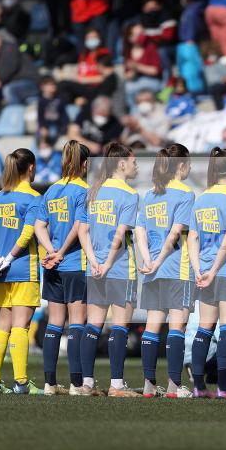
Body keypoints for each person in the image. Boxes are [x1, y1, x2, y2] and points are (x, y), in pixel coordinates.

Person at [78, 142, 142, 398]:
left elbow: (83, 231)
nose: (136, 164)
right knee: (119, 327)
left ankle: (87, 384)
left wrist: (94, 260)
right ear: (121, 163)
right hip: (119, 268)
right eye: (133, 160)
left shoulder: (94, 191)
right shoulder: (129, 194)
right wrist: (106, 263)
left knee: (92, 326)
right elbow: (119, 235)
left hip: (94, 268)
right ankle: (116, 385)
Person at [0, 148, 42, 394]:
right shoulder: (34, 198)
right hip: (23, 268)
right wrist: (10, 257)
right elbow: (28, 232)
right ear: (31, 168)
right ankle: (21, 382)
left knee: (2, 325)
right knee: (21, 326)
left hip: (1, 271)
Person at [135, 144, 195, 399]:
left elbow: (139, 231)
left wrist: (148, 261)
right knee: (177, 327)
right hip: (175, 268)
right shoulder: (185, 194)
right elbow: (174, 234)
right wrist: (158, 262)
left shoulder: (150, 194)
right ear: (181, 166)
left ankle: (149, 386)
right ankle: (173, 386)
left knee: (152, 326)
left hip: (152, 270)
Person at [187, 148, 226, 399]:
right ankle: (223, 387)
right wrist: (212, 271)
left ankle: (199, 387)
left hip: (204, 272)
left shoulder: (201, 200)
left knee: (204, 329)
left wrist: (200, 270)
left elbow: (192, 238)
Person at [34, 140, 89, 396]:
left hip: (52, 264)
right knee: (77, 322)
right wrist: (62, 252)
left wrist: (51, 251)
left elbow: (39, 225)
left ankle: (49, 383)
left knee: (55, 323)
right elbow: (79, 228)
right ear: (85, 164)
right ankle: (77, 384)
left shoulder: (52, 190)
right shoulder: (84, 191)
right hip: (75, 263)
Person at [0, 32, 40, 129]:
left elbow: (9, 70)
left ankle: (16, 123)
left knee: (9, 90)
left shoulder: (8, 48)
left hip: (30, 84)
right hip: (12, 83)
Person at [58, 30, 112, 105]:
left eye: (94, 37)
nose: (91, 40)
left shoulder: (104, 54)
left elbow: (107, 77)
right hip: (83, 87)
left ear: (99, 39)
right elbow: (80, 74)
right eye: (89, 38)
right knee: (62, 85)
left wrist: (85, 80)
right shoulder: (83, 55)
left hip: (96, 88)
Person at [123, 23, 162, 110]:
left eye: (142, 33)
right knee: (128, 88)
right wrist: (132, 71)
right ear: (130, 38)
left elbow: (156, 71)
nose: (141, 36)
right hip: (134, 83)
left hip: (150, 81)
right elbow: (127, 75)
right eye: (138, 34)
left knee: (143, 94)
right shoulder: (128, 53)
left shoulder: (150, 48)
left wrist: (138, 66)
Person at [36, 76, 69, 142]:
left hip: (57, 125)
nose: (53, 86)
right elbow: (40, 116)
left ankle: (48, 148)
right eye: (50, 85)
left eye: (54, 84)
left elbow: (63, 114)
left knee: (52, 132)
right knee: (38, 136)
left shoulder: (59, 99)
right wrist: (42, 127)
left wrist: (66, 126)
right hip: (46, 125)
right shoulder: (41, 101)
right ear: (42, 87)